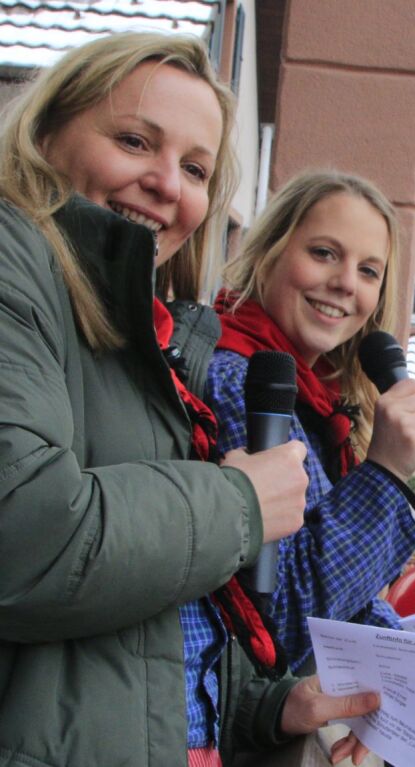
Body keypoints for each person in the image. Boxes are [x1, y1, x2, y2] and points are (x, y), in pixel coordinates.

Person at [0, 31, 378, 766]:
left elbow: (149, 632)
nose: (169, 185)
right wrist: (240, 501)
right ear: (44, 133)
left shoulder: (142, 335)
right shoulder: (20, 270)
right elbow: (23, 535)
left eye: (196, 168)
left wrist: (263, 708)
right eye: (136, 141)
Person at [208, 169, 415, 672]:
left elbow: (343, 594)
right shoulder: (240, 385)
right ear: (270, 251)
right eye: (324, 253)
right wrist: (386, 474)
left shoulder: (315, 406)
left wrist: (403, 670)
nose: (344, 284)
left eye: (369, 271)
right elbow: (285, 618)